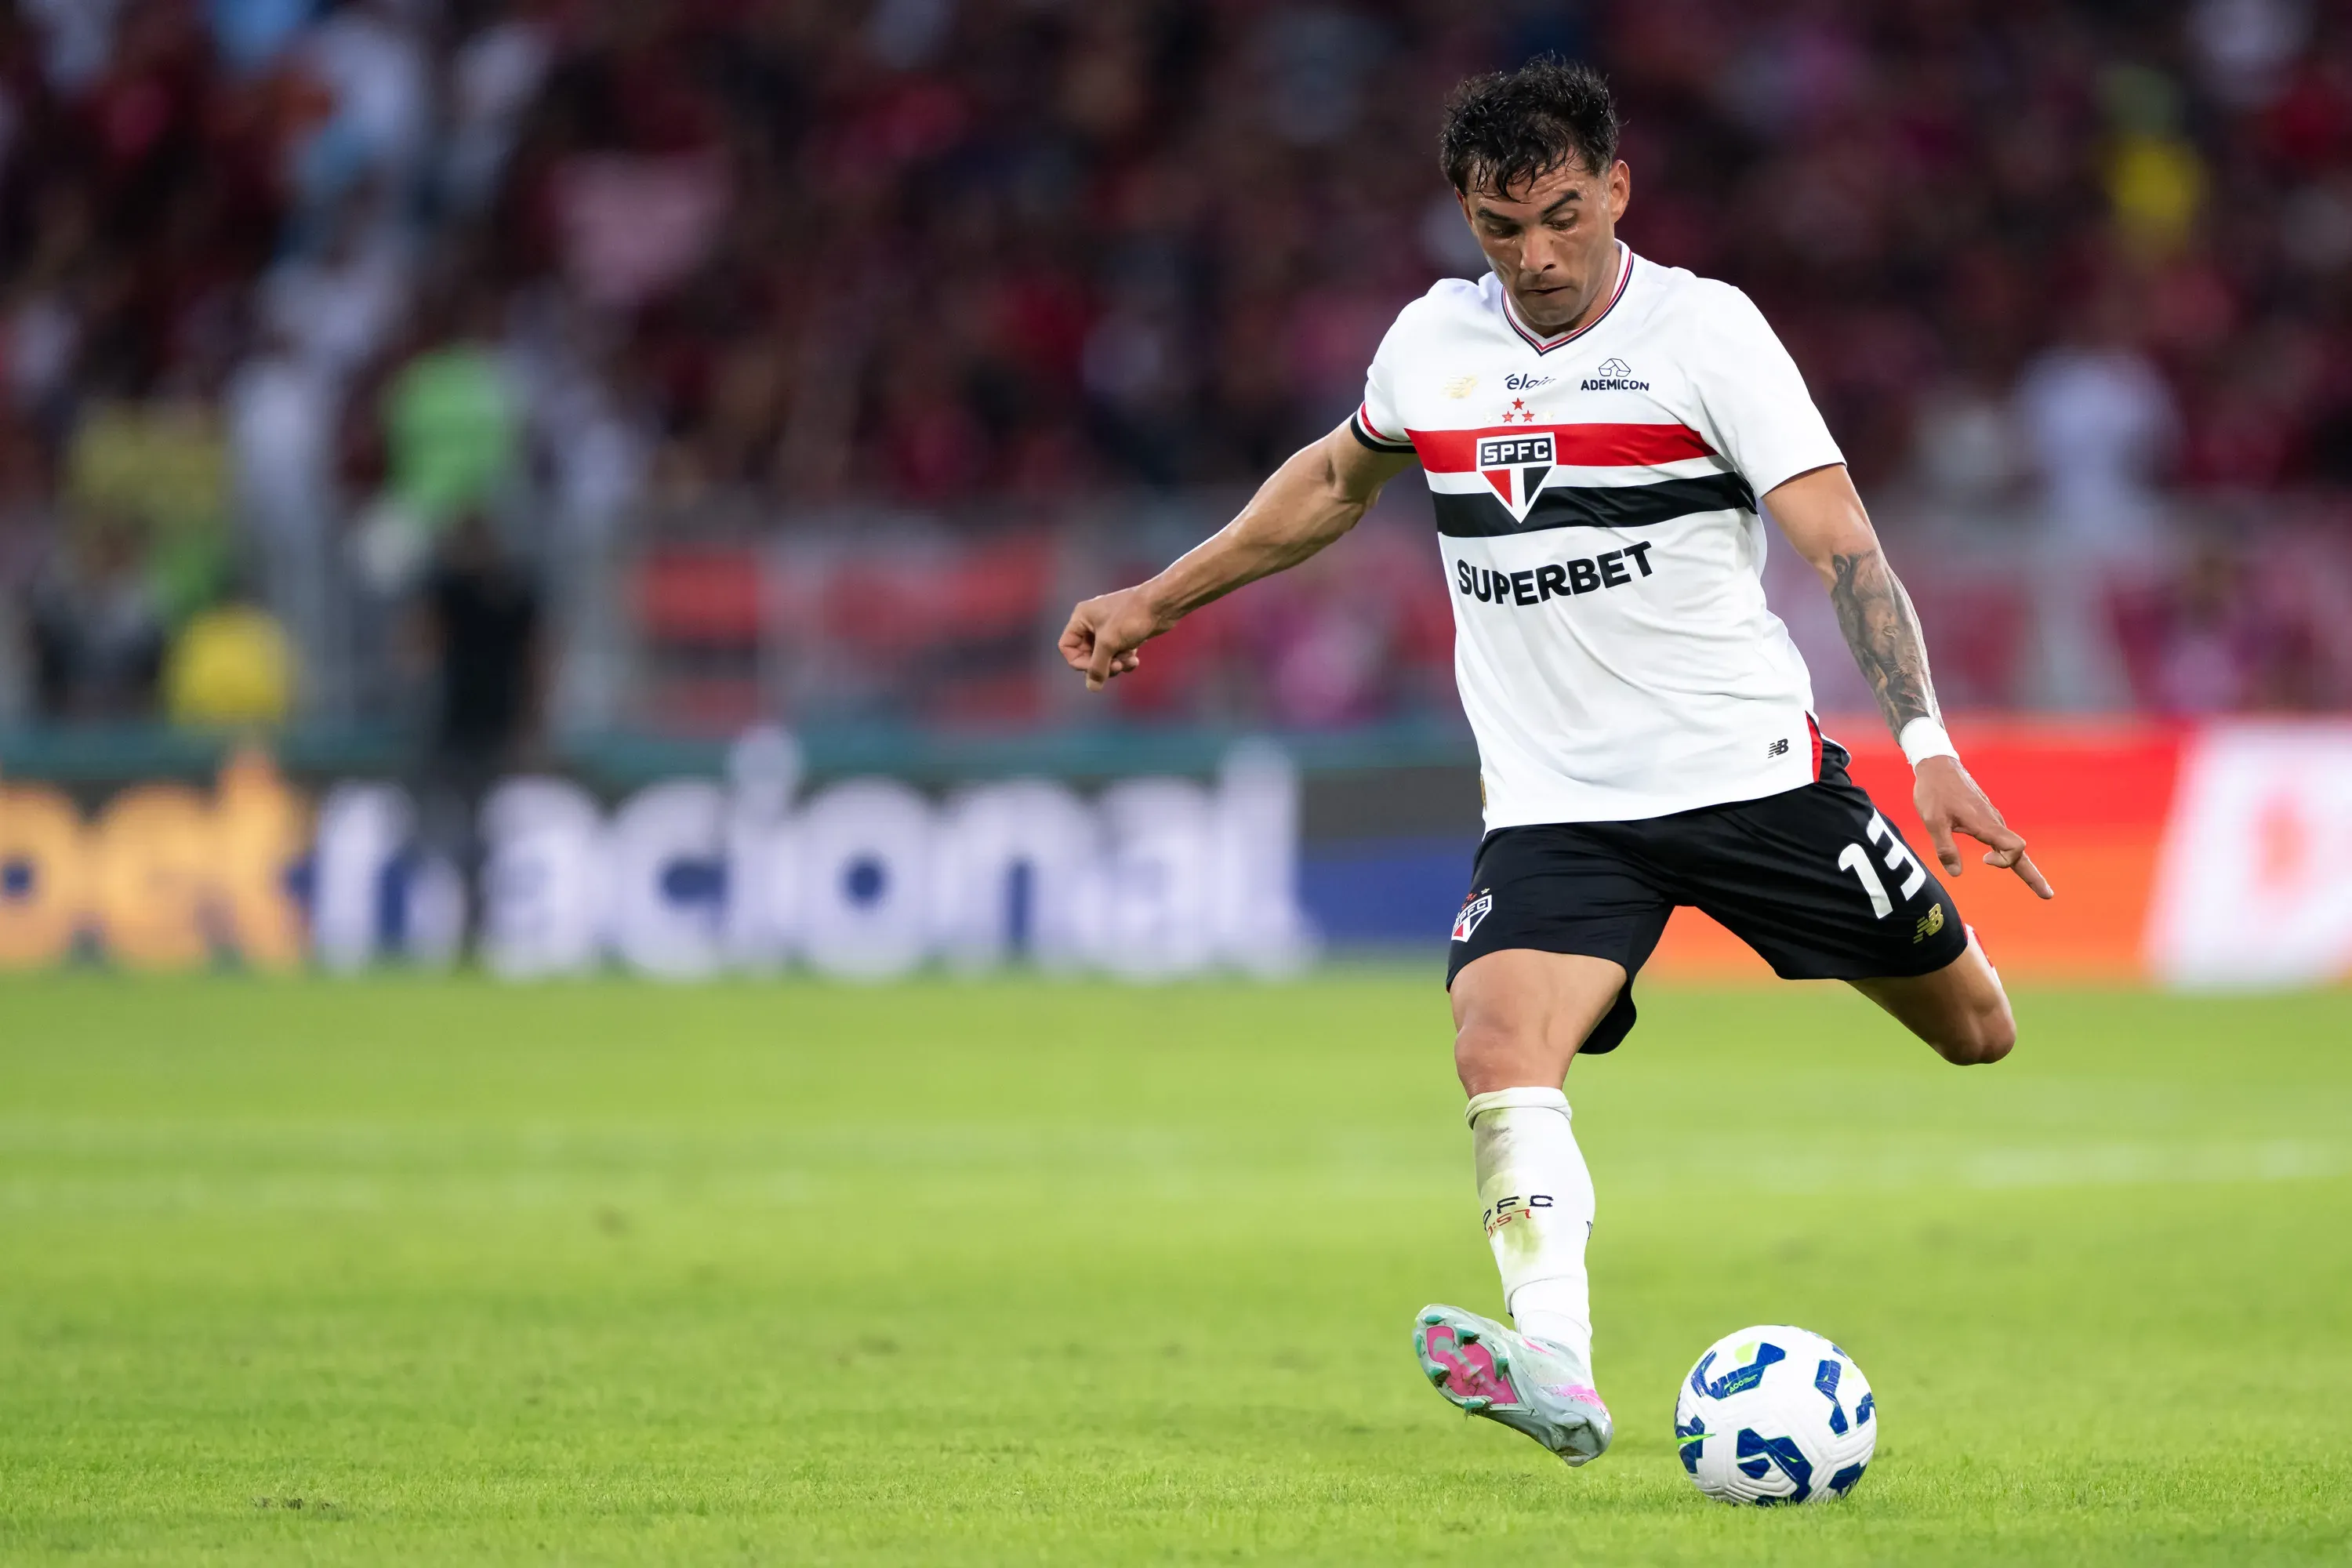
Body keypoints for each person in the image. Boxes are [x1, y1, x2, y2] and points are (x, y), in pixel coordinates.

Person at [1056, 59, 2053, 1470]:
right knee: (1497, 1044)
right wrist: (1156, 597)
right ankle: (1561, 1370)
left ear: (1617, 190)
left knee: (1976, 1030)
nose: (1534, 258)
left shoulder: (1709, 334)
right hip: (1559, 813)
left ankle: (1577, 1341)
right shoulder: (1431, 346)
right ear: (1465, 217)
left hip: (1752, 779)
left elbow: (1843, 542)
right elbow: (1338, 481)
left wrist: (1931, 746)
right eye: (1498, 228)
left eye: (1562, 218)